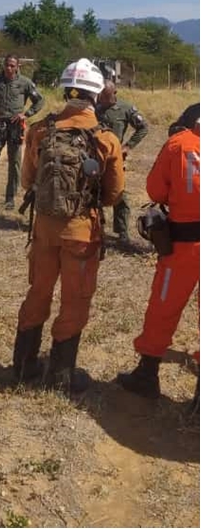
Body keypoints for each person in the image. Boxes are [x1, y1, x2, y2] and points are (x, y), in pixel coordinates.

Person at [12, 59, 125, 394]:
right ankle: (60, 375)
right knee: (75, 300)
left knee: (39, 291)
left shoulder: (40, 129)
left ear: (65, 89)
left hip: (44, 229)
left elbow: (27, 181)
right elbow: (114, 194)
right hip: (81, 232)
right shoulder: (105, 139)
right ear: (96, 93)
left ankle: (23, 366)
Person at [116, 105, 199, 411]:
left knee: (163, 307)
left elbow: (155, 189)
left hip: (184, 247)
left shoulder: (179, 144)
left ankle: (147, 374)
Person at [0, 54, 45, 209]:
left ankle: (10, 198)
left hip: (15, 126)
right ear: (3, 65)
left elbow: (40, 100)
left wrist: (25, 114)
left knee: (14, 162)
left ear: (18, 66)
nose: (9, 68)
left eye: (12, 65)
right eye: (7, 65)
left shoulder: (25, 83)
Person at [96, 80, 150, 242]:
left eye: (107, 95)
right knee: (93, 192)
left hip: (115, 158)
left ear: (114, 93)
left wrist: (128, 146)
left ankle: (122, 231)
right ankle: (96, 227)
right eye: (102, 96)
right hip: (95, 156)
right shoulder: (95, 109)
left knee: (119, 193)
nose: (103, 99)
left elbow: (143, 127)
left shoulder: (125, 108)